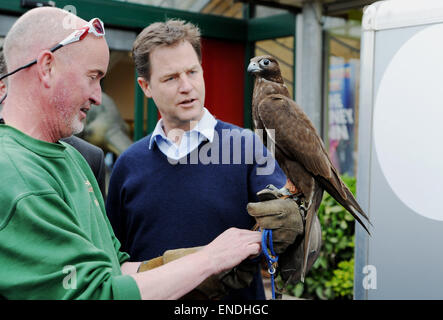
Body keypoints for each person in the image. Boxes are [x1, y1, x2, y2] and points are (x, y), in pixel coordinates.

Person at [0, 7, 262, 300]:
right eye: (92, 77)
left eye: (192, 72)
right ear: (47, 67)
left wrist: (196, 264)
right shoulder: (12, 174)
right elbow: (99, 294)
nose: (98, 96)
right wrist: (209, 260)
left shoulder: (75, 159)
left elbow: (116, 268)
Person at [106, 19, 313, 300]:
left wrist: (296, 225)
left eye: (192, 72)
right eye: (170, 78)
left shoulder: (249, 147)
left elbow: (294, 241)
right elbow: (112, 263)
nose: (187, 86)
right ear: (146, 86)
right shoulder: (128, 164)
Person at [0, 50, 107, 199]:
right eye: (91, 77)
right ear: (2, 89)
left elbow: (97, 221)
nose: (97, 98)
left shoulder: (88, 157)